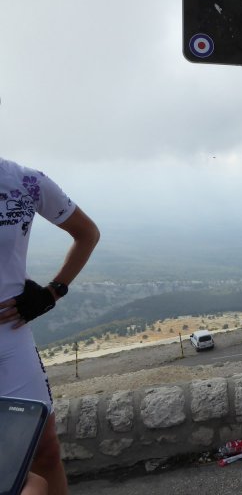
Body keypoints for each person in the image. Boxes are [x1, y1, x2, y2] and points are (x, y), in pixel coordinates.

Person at [0, 158, 100, 495]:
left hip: (9, 340)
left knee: (44, 451)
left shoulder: (24, 181)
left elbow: (87, 234)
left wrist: (51, 293)